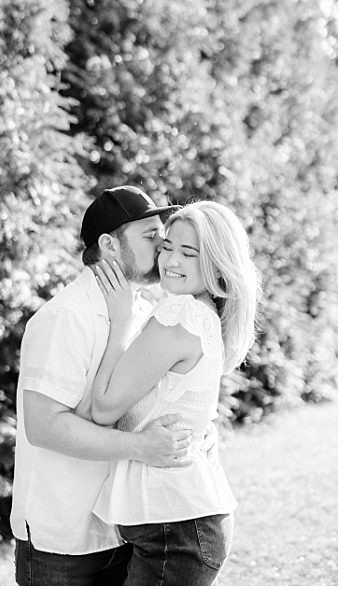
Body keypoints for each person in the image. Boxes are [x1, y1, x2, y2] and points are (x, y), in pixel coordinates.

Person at [11, 186, 198, 586]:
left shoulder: (147, 311)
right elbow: (43, 426)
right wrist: (141, 446)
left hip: (125, 529)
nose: (163, 244)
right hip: (63, 542)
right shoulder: (64, 317)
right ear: (110, 245)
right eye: (150, 235)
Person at [86, 201, 260, 585]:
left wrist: (120, 321)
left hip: (176, 528)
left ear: (215, 264)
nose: (170, 260)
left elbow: (104, 407)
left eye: (188, 253)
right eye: (167, 247)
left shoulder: (182, 314)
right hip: (177, 524)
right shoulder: (200, 312)